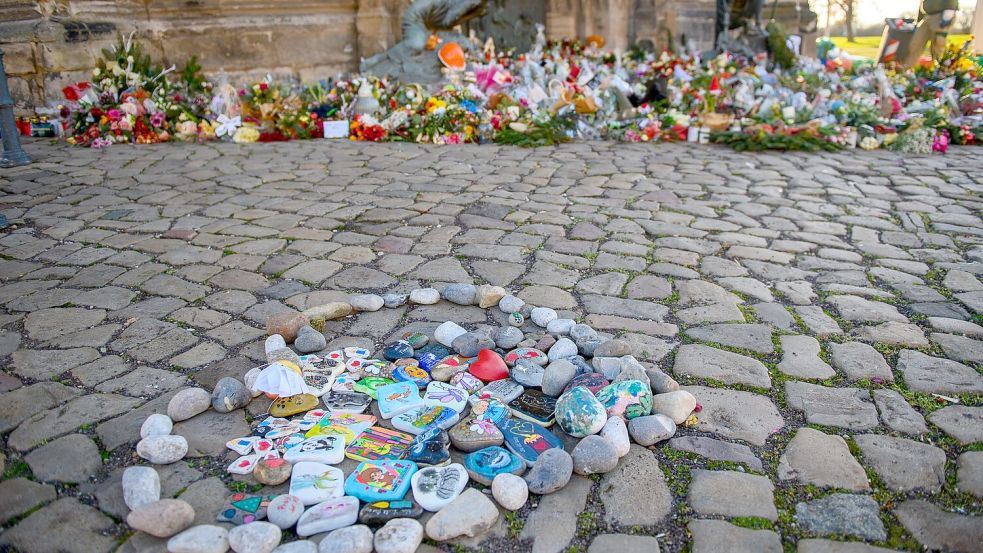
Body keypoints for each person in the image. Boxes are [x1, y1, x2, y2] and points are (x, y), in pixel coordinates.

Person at [905, 0, 959, 66]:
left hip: (942, 15)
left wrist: (949, 13)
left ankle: (938, 71)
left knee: (937, 47)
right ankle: (907, 69)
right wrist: (919, 19)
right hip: (927, 15)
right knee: (915, 44)